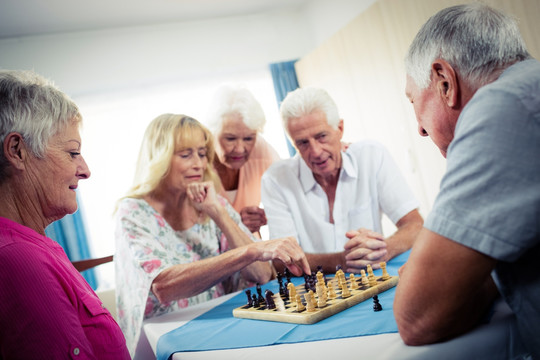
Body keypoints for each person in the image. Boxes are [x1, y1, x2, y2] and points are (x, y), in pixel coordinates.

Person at [393, 4, 539, 358]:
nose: (421, 129)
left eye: (415, 101)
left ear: (445, 81)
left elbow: (418, 316)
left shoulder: (502, 108)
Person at [114, 113, 310, 356]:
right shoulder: (132, 211)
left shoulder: (212, 201)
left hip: (217, 326)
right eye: (185, 154)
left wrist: (218, 214)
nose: (199, 164)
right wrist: (251, 250)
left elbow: (261, 273)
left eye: (202, 153)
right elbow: (165, 288)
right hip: (162, 340)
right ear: (159, 157)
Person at [0, 70, 130, 358]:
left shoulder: (32, 245)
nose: (85, 170)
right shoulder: (17, 259)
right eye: (72, 153)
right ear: (17, 151)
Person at [261, 87, 423, 274]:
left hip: (374, 279)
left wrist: (383, 250)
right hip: (317, 295)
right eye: (302, 143)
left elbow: (415, 225)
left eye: (321, 136)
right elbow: (281, 262)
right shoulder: (276, 180)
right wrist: (342, 261)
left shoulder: (371, 155)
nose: (315, 152)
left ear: (340, 129)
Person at [205, 86, 280, 234]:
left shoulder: (261, 150)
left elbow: (293, 185)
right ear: (212, 132)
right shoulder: (197, 160)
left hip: (253, 250)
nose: (240, 149)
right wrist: (234, 223)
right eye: (230, 138)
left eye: (248, 138)